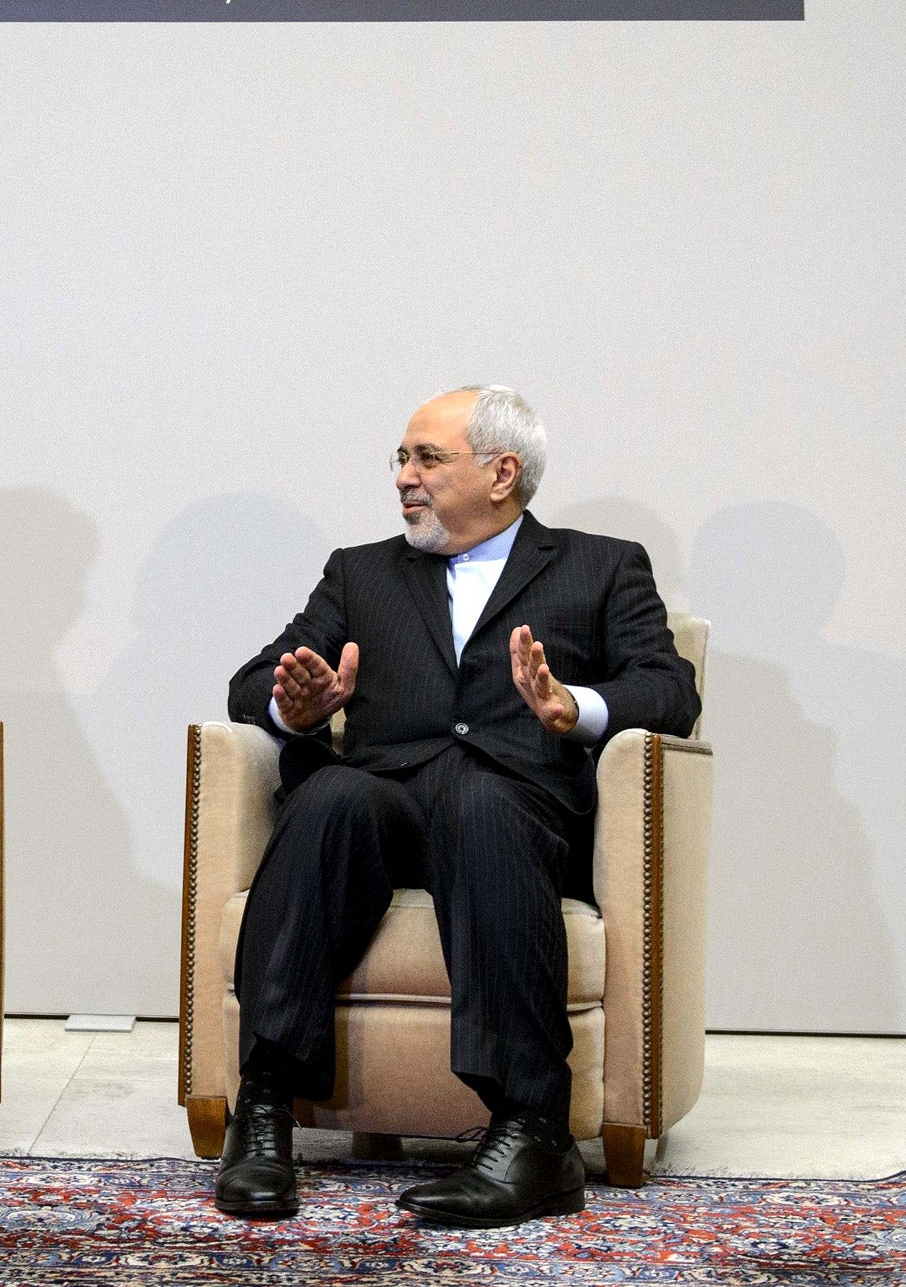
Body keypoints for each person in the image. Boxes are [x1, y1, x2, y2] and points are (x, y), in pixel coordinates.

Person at [217, 385, 700, 1227]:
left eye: (427, 459)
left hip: (512, 812)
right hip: (386, 808)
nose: (404, 476)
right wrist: (293, 707)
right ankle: (262, 1108)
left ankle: (530, 1134)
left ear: (502, 473)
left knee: (481, 803)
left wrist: (572, 707)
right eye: (401, 459)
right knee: (330, 792)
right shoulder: (359, 572)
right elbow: (252, 682)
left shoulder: (601, 564)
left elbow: (669, 691)